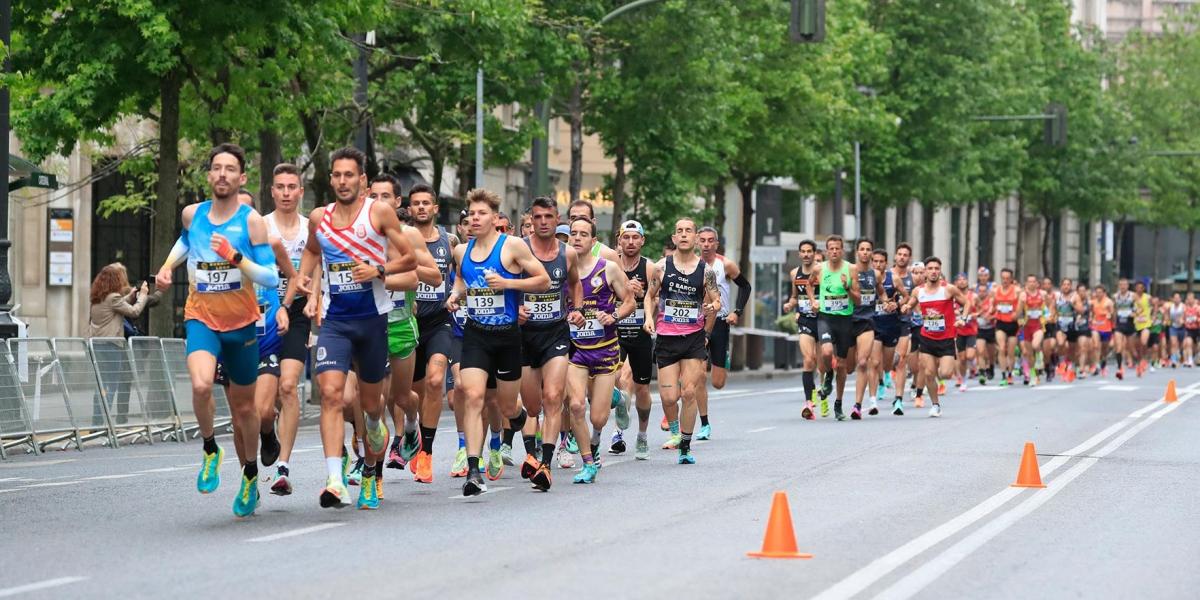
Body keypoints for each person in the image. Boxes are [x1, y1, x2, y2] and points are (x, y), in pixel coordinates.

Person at [286, 147, 416, 510]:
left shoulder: (378, 213)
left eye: (349, 175)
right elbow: (312, 252)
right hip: (336, 322)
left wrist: (378, 271)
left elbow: (407, 257)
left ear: (361, 180)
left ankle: (373, 463)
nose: (342, 182)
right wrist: (303, 280)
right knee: (331, 394)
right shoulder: (319, 218)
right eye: (336, 175)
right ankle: (334, 480)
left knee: (371, 407)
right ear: (331, 179)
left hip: (373, 322)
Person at [154, 143, 279, 517]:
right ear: (208, 175)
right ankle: (211, 448)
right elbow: (185, 241)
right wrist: (167, 267)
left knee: (245, 409)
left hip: (241, 324)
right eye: (216, 168)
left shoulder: (252, 221)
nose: (222, 174)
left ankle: (251, 474)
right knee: (201, 384)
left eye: (230, 169)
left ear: (241, 178)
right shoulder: (193, 215)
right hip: (201, 317)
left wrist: (235, 258)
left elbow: (271, 277)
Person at [445, 188, 550, 496]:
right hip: (476, 334)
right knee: (473, 396)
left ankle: (517, 419)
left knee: (506, 406)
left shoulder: (512, 246)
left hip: (506, 337)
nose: (475, 218)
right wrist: (454, 296)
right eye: (471, 214)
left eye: (481, 213)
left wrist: (508, 283)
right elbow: (462, 280)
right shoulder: (462, 252)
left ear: (493, 217)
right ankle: (474, 472)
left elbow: (542, 279)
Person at [564, 217, 635, 484]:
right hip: (577, 350)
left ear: (593, 241)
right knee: (575, 405)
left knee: (598, 416)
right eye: (574, 233)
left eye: (584, 234)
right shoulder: (563, 271)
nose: (578, 238)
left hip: (605, 350)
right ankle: (588, 461)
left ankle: (604, 421)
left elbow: (629, 301)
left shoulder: (609, 269)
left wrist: (614, 315)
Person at [515, 197, 580, 490]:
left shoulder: (567, 255)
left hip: (556, 332)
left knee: (553, 397)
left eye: (548, 216)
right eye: (538, 216)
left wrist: (576, 308)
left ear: (558, 219)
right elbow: (503, 284)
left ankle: (546, 464)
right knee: (531, 406)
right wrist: (514, 308)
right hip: (525, 336)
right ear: (531, 219)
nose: (543, 222)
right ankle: (533, 449)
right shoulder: (518, 250)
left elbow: (575, 284)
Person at [644, 218, 720, 464]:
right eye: (679, 231)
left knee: (688, 393)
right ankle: (676, 432)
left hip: (693, 339)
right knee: (668, 398)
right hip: (667, 338)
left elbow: (717, 301)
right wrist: (648, 317)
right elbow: (649, 296)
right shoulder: (661, 267)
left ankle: (685, 446)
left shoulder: (706, 271)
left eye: (689, 231)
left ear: (696, 237)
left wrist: (712, 305)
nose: (684, 235)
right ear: (675, 238)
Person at [404, 182, 458, 484]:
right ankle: (411, 431)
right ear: (410, 208)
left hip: (439, 321)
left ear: (435, 207)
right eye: (417, 203)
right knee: (414, 393)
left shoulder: (450, 241)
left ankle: (426, 452)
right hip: (410, 324)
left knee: (436, 381)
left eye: (427, 202)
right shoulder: (402, 239)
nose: (422, 207)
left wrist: (456, 295)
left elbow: (462, 273)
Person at [88, 263, 161, 425]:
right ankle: (103, 423)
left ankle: (97, 421)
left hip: (97, 345)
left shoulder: (98, 298)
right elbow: (134, 311)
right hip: (111, 346)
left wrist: (132, 295)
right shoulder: (113, 298)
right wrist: (142, 295)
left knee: (101, 385)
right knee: (111, 385)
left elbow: (119, 304)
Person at [695, 226, 750, 437]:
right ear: (697, 242)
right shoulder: (692, 265)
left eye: (711, 241)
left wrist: (737, 312)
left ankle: (722, 358)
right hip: (697, 324)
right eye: (703, 240)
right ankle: (704, 423)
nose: (706, 244)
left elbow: (745, 287)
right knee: (698, 376)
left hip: (720, 322)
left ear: (716, 244)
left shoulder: (725, 264)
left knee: (717, 383)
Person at [901, 256, 967, 417]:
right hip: (927, 337)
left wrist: (962, 319)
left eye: (936, 268)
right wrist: (906, 307)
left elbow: (967, 303)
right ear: (925, 272)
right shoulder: (919, 291)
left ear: (940, 271)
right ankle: (935, 405)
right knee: (928, 373)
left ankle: (940, 366)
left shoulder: (948, 289)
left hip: (946, 338)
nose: (933, 271)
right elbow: (910, 303)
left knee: (945, 374)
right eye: (930, 269)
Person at [613, 220, 657, 457]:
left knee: (642, 388)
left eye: (635, 238)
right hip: (615, 330)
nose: (630, 242)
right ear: (619, 240)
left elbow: (653, 299)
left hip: (640, 332)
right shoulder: (610, 264)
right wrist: (624, 293)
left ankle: (642, 435)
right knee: (614, 376)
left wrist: (643, 299)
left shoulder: (649, 268)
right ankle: (620, 401)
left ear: (642, 240)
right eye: (626, 237)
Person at [806, 236, 862, 421]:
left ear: (842, 250)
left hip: (845, 320)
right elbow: (809, 284)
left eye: (837, 248)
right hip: (825, 317)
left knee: (843, 365)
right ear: (827, 251)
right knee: (827, 350)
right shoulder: (819, 269)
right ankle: (828, 374)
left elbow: (858, 299)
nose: (834, 251)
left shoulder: (851, 269)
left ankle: (838, 403)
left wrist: (847, 287)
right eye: (831, 248)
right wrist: (814, 301)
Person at [845, 237, 884, 419]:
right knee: (849, 368)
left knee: (863, 362)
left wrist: (886, 303)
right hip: (847, 320)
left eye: (869, 249)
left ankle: (857, 405)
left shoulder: (875, 275)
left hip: (866, 320)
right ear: (857, 252)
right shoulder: (848, 270)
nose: (865, 252)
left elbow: (881, 292)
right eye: (862, 249)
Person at [783, 240, 823, 418]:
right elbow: (794, 296)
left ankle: (824, 389)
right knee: (808, 360)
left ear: (815, 253)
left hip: (823, 320)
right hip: (805, 320)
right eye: (803, 252)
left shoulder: (823, 271)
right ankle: (809, 401)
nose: (806, 254)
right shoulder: (794, 273)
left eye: (809, 251)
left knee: (823, 363)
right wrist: (789, 304)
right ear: (799, 254)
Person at [869, 248, 906, 414]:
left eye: (881, 261)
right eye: (875, 261)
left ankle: (885, 376)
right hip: (873, 324)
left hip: (891, 325)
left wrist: (896, 305)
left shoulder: (894, 278)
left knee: (889, 364)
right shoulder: (866, 278)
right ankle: (872, 401)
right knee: (874, 362)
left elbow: (906, 296)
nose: (878, 264)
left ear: (886, 263)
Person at [1018, 274, 1051, 386]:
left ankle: (1039, 356)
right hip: (1027, 326)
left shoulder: (1042, 294)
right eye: (1029, 282)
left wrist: (1047, 316)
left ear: (1037, 283)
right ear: (1026, 283)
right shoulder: (1023, 295)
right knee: (1028, 353)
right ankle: (1033, 375)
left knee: (1035, 344)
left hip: (1038, 324)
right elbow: (1018, 312)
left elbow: (1049, 306)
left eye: (1034, 281)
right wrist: (1022, 303)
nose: (1032, 284)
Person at [992, 268, 1021, 387]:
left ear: (1011, 279)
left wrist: (1017, 314)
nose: (1005, 280)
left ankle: (1010, 374)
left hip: (1013, 324)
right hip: (1000, 322)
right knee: (1001, 348)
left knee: (1010, 352)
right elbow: (993, 305)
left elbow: (1021, 306)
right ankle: (1003, 374)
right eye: (1003, 278)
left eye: (1007, 278)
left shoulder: (1017, 291)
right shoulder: (995, 290)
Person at [952, 273, 978, 392]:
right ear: (956, 283)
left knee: (970, 355)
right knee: (961, 359)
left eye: (964, 279)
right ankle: (963, 380)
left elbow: (981, 310)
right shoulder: (952, 296)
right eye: (959, 280)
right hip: (958, 331)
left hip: (971, 330)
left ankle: (973, 362)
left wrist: (972, 315)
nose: (962, 282)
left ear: (967, 282)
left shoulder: (974, 296)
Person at [974, 267, 997, 382]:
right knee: (980, 350)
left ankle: (991, 367)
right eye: (981, 275)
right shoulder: (974, 289)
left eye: (985, 275)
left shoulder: (993, 288)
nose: (983, 278)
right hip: (979, 328)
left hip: (991, 327)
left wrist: (990, 315)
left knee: (991, 353)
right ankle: (982, 372)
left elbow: (996, 308)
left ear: (988, 276)